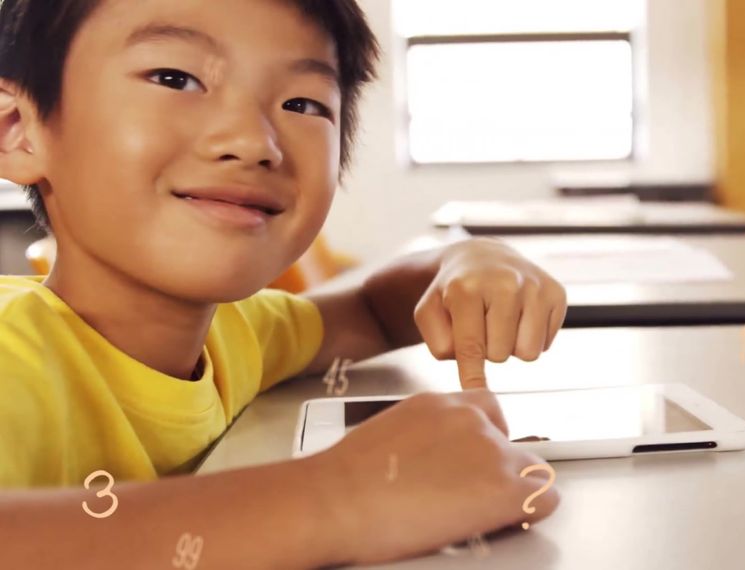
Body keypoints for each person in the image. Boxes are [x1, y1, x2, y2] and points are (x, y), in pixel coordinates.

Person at [0, 0, 566, 567]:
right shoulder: (13, 355)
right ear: (18, 131)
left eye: (303, 104)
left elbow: (372, 310)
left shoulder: (235, 334)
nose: (255, 142)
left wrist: (467, 259)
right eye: (174, 78)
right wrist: (342, 497)